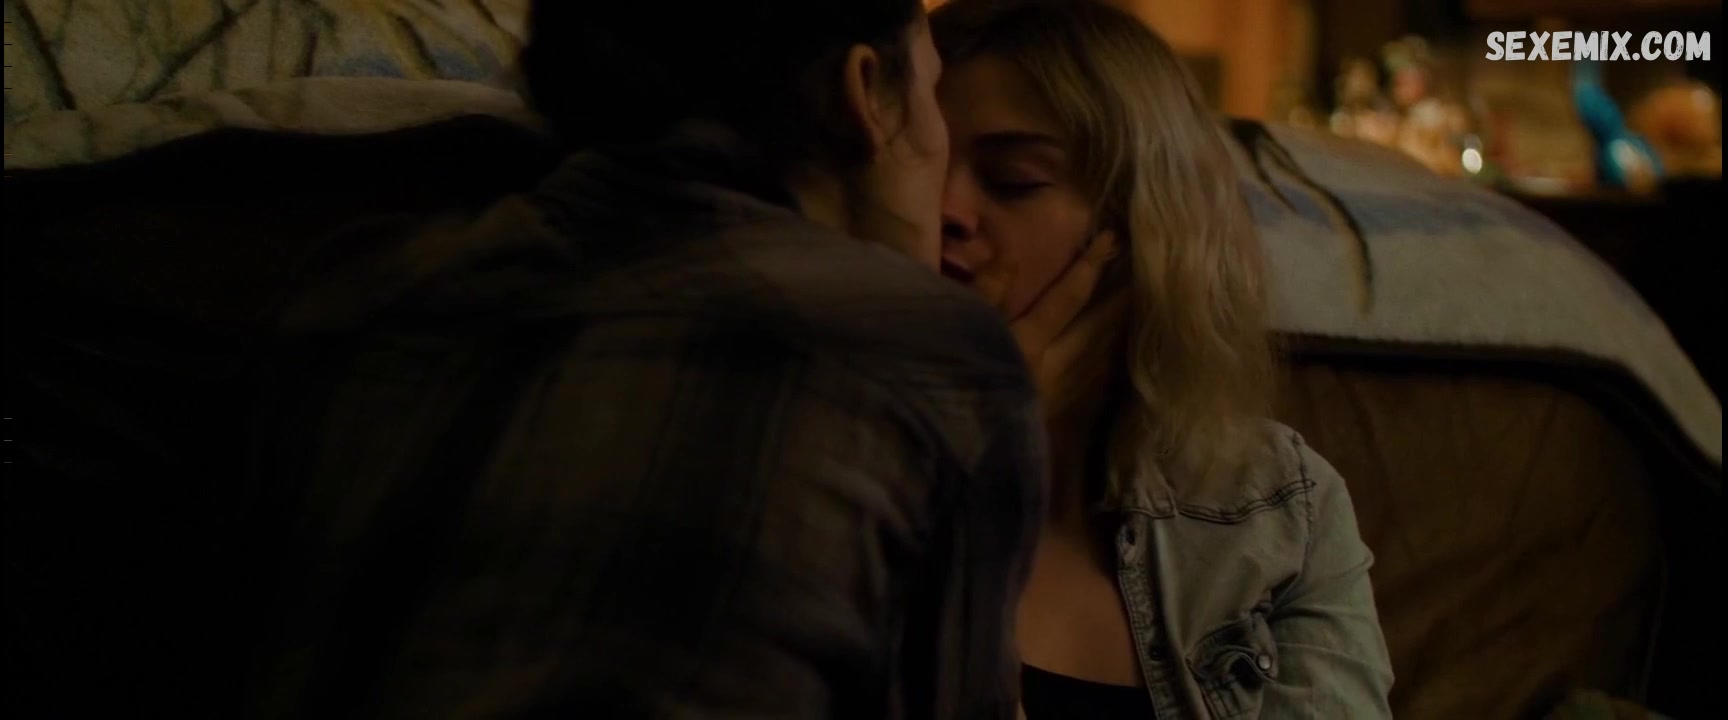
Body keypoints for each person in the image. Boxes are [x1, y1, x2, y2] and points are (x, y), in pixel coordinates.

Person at [213, 1, 1102, 717]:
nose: (949, 204)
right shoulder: (925, 358)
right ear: (865, 93)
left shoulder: (355, 293)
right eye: (932, 95)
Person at [929, 0, 1396, 717]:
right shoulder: (827, 472)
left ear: (1134, 226)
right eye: (922, 169)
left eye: (1013, 178)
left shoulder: (1280, 510)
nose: (945, 210)